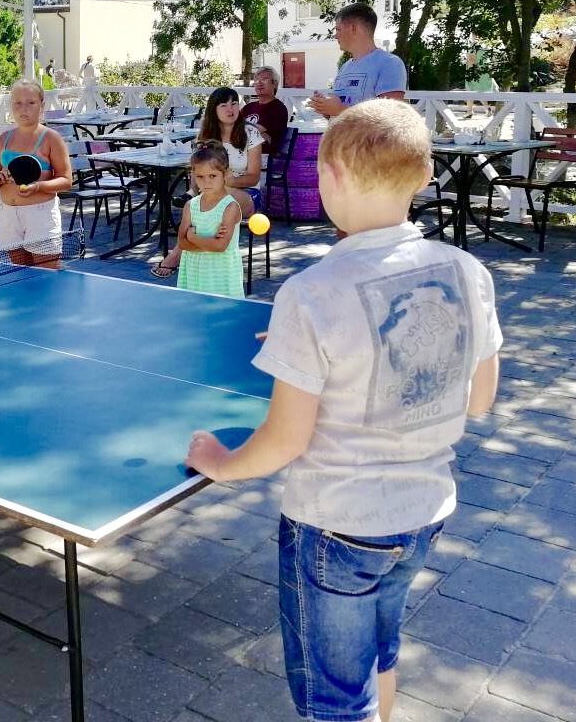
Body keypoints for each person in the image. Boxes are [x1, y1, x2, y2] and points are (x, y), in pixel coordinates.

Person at [185, 99, 501, 722]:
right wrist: (348, 350)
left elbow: (283, 443)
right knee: (380, 650)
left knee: (336, 701)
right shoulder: (468, 272)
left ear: (327, 177)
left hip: (335, 526)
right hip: (423, 516)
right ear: (423, 177)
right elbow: (480, 399)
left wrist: (221, 463)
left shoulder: (311, 294)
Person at [150, 87, 260, 278]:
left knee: (214, 197)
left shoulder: (250, 132)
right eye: (224, 105)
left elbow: (254, 177)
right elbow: (198, 171)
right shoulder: (206, 136)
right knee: (198, 202)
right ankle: (201, 254)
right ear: (214, 110)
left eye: (234, 103)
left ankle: (177, 254)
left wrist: (227, 182)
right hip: (210, 194)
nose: (230, 109)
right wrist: (194, 191)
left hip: (246, 194)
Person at [0, 79, 72, 267]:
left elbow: (66, 180)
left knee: (46, 274)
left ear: (42, 105)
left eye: (31, 103)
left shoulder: (51, 138)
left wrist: (38, 187)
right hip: (9, 215)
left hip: (40, 215)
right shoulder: (4, 139)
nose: (23, 108)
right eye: (18, 103)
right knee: (20, 273)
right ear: (11, 106)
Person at [306, 2, 406, 120]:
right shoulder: (345, 67)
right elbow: (337, 116)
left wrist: (339, 110)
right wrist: (325, 108)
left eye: (338, 29)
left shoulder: (389, 63)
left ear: (353, 28)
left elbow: (390, 118)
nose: (335, 36)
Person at [176, 141, 245, 299]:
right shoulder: (190, 206)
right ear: (193, 175)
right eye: (200, 177)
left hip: (220, 277)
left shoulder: (230, 207)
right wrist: (209, 243)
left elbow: (220, 246)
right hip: (194, 275)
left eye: (212, 176)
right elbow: (182, 243)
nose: (206, 182)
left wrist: (193, 237)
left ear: (225, 174)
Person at [242, 65, 289, 154]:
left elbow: (254, 131)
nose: (259, 83)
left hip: (263, 155)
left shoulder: (278, 108)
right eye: (256, 80)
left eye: (264, 79)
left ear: (274, 84)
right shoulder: (248, 107)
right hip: (243, 152)